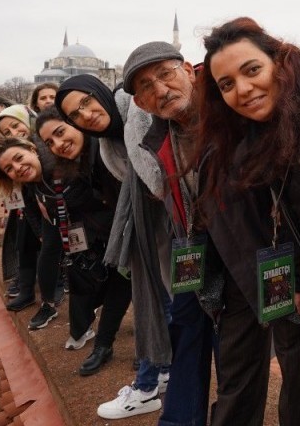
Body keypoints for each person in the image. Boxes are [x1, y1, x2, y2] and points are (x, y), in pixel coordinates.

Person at [193, 18, 300, 426]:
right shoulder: (227, 128)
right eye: (227, 84)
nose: (243, 89)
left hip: (289, 263)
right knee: (237, 371)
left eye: (252, 70)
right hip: (242, 266)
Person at [94, 41, 218, 423]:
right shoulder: (150, 137)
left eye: (166, 74)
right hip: (189, 243)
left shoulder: (225, 112)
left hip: (237, 247)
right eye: (146, 87)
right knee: (186, 326)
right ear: (140, 104)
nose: (161, 89)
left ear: (188, 70)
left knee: (235, 347)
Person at [57, 75, 174, 414]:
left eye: (86, 102)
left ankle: (150, 385)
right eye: (75, 115)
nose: (86, 114)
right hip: (151, 236)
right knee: (160, 304)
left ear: (100, 93)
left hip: (174, 231)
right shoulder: (109, 144)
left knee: (171, 307)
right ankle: (156, 376)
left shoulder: (140, 115)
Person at [32, 109, 134, 376]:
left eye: (60, 132)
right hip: (110, 239)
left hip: (137, 233)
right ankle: (104, 345)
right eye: (50, 142)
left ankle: (148, 354)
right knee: (118, 288)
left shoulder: (106, 151)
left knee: (151, 294)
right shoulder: (73, 165)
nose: (58, 144)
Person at [0, 137, 62, 330]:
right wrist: (41, 233)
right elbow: (29, 207)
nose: (17, 168)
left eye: (19, 158)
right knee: (45, 253)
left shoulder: (56, 165)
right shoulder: (27, 181)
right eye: (9, 169)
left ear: (32, 149)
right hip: (51, 216)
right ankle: (47, 303)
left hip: (84, 216)